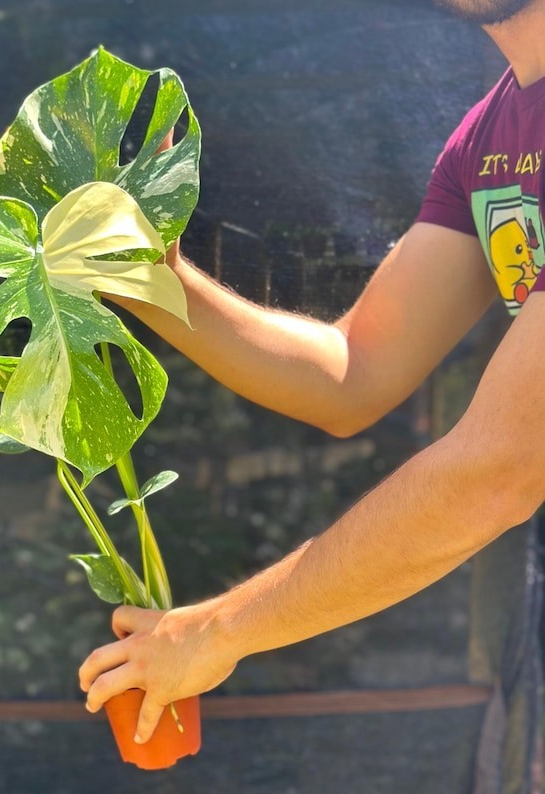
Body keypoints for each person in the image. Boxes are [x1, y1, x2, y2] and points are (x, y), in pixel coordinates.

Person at [79, 0, 545, 745]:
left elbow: (501, 464)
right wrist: (150, 277)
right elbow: (354, 373)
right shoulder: (487, 137)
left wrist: (218, 631)